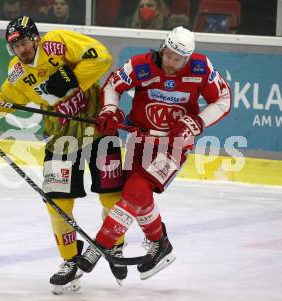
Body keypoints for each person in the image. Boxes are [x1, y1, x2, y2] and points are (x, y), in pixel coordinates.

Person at [0, 16, 126, 293]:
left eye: (24, 42)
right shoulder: (17, 71)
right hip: (61, 137)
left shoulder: (59, 42)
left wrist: (71, 76)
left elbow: (102, 57)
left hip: (98, 127)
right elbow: (8, 98)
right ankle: (70, 259)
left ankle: (115, 246)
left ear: (35, 37)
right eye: (15, 46)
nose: (21, 50)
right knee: (57, 203)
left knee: (111, 194)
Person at [77, 26, 232, 280]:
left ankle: (98, 246)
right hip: (139, 139)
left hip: (174, 145)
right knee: (139, 198)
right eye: (169, 55)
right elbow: (113, 86)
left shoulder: (201, 68)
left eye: (178, 59)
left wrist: (195, 124)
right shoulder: (141, 65)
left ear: (188, 58)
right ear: (163, 47)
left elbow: (223, 99)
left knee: (135, 191)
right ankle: (160, 242)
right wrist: (109, 111)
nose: (171, 63)